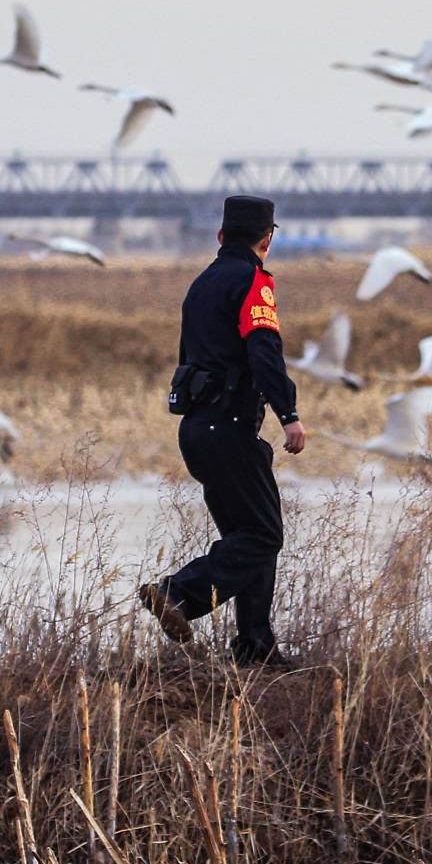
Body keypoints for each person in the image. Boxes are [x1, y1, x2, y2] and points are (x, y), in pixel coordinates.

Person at [140, 193, 308, 667]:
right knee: (262, 536)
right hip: (230, 426)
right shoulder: (254, 281)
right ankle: (178, 594)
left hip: (197, 429)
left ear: (220, 237)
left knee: (251, 533)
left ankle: (255, 647)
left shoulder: (202, 283)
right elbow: (263, 350)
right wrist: (288, 414)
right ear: (267, 239)